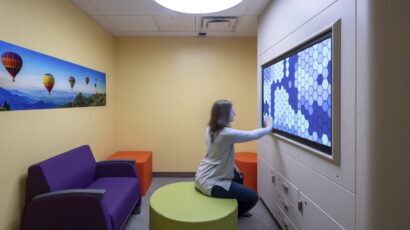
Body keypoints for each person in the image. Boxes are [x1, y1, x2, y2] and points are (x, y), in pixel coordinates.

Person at [195, 99, 273, 217]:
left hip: (202, 176)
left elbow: (219, 153)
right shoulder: (225, 133)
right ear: (224, 115)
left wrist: (234, 167)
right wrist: (269, 126)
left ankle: (235, 204)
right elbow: (252, 135)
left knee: (239, 176)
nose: (235, 113)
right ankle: (234, 214)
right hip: (210, 184)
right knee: (253, 197)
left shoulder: (211, 128)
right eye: (232, 112)